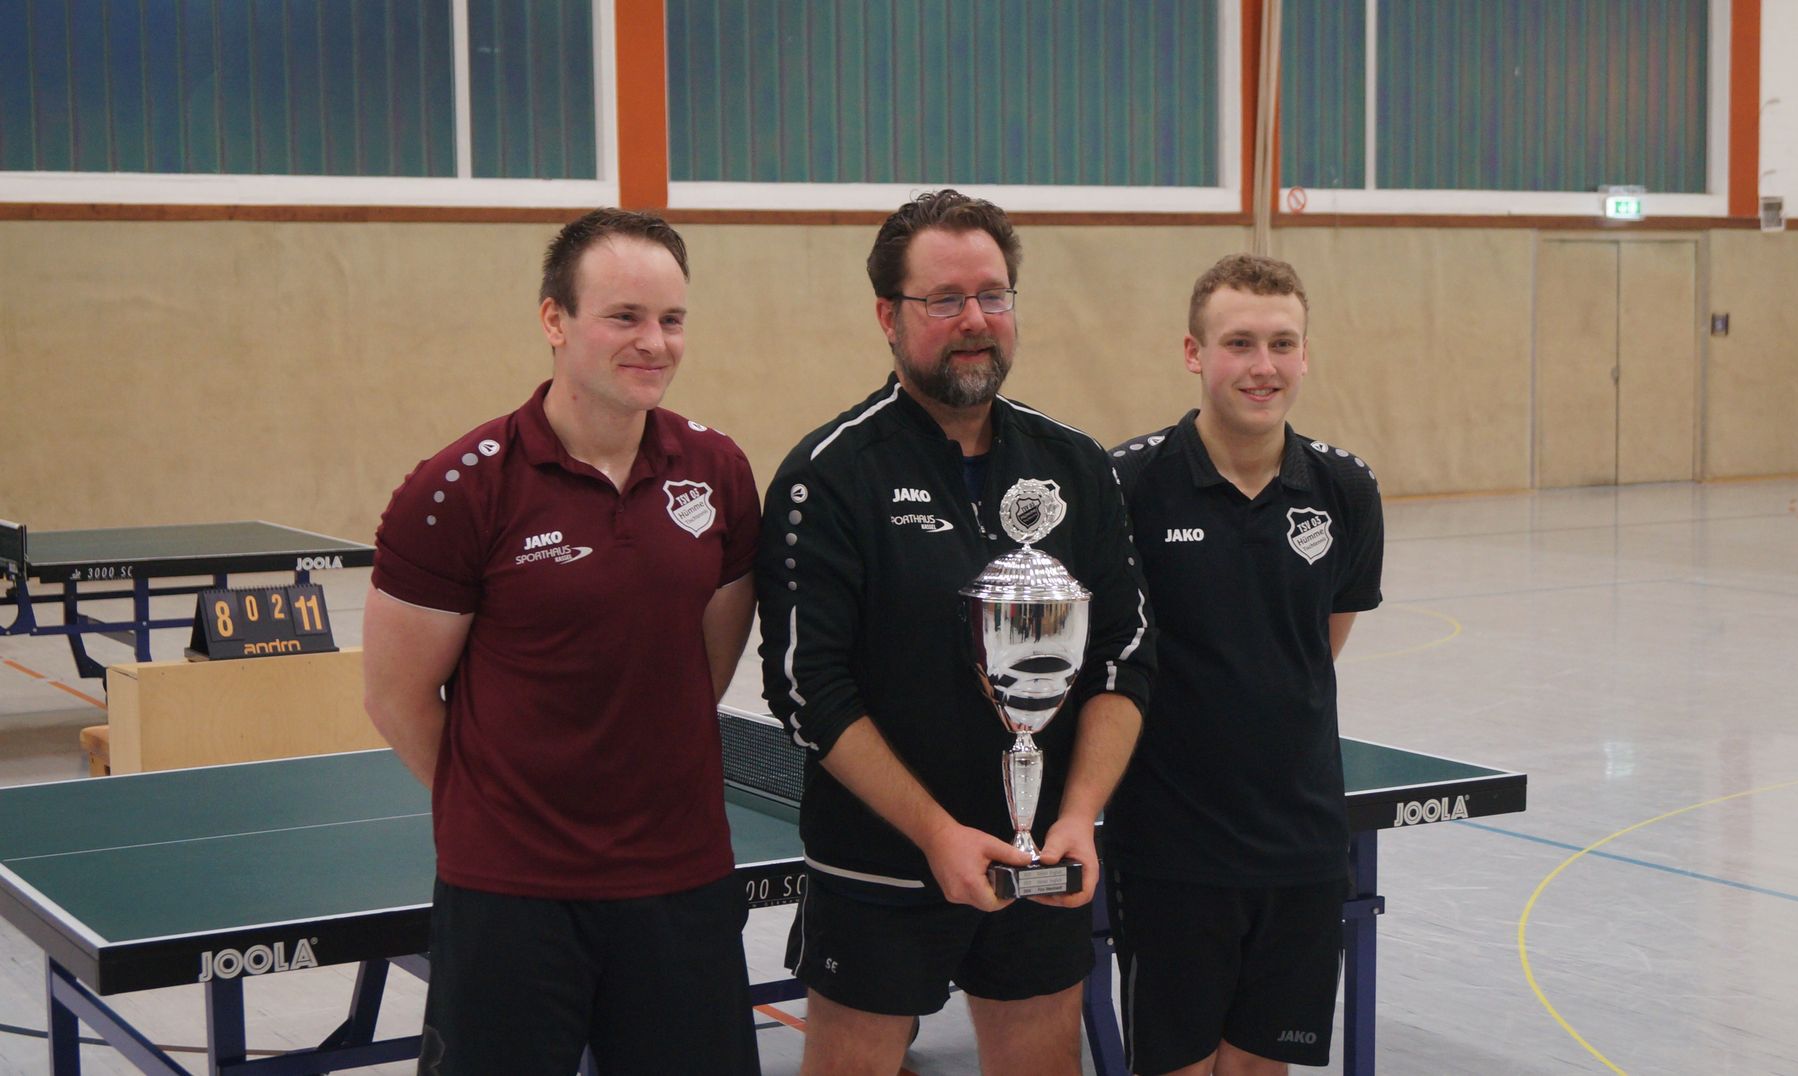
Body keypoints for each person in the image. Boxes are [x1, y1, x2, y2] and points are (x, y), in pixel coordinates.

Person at [756, 188, 1155, 1076]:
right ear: (888, 317)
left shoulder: (1075, 465)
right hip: (879, 867)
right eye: (944, 299)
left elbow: (1124, 657)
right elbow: (806, 688)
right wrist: (935, 832)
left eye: (993, 294)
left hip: (1038, 856)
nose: (975, 320)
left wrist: (1078, 816)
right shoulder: (830, 476)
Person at [361, 208, 761, 1075]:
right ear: (555, 319)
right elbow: (396, 696)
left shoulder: (719, 473)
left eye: (672, 319)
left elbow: (705, 664)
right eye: (624, 316)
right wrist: (509, 808)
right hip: (512, 894)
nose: (654, 342)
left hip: (681, 877)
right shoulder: (454, 492)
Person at [1103, 254, 1385, 1074]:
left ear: (1305, 354)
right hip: (1172, 853)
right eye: (1239, 344)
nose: (1264, 367)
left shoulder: (1344, 489)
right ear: (1194, 353)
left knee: (1263, 1064)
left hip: (1303, 848)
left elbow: (1318, 644)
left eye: (1282, 344)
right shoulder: (1129, 484)